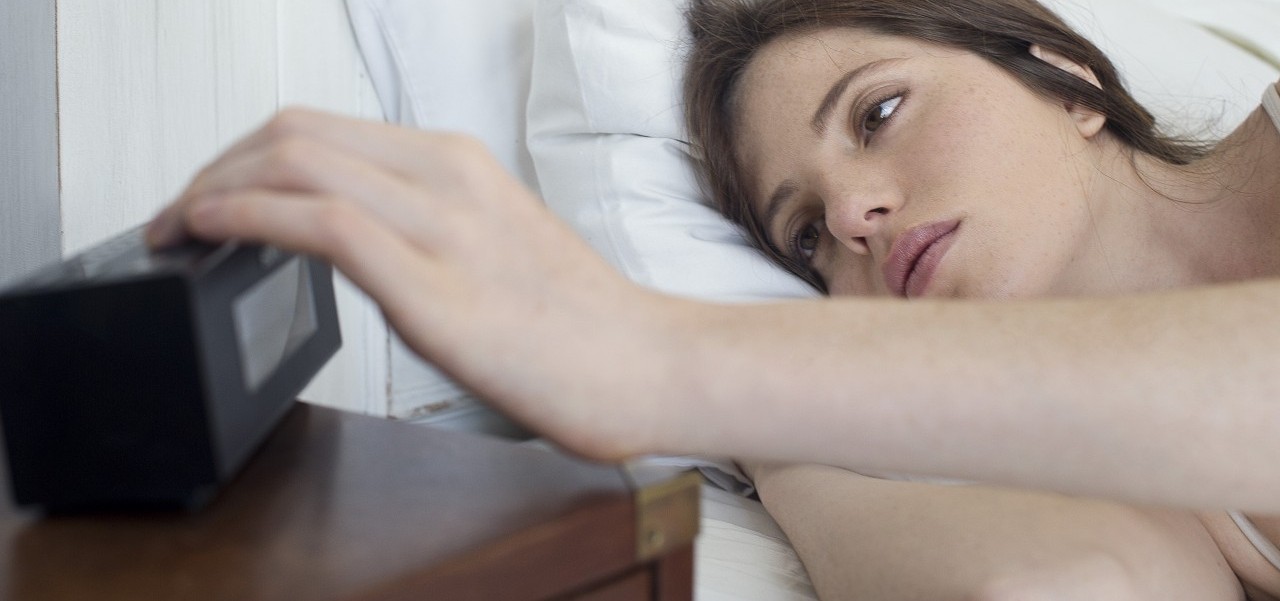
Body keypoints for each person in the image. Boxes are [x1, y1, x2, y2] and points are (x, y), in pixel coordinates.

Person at [144, 0, 1280, 597]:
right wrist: (778, 447)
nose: (848, 219)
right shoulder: (1106, 471)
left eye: (877, 113)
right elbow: (1055, 587)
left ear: (1065, 76)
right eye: (800, 236)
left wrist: (663, 359)